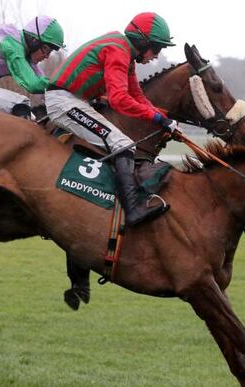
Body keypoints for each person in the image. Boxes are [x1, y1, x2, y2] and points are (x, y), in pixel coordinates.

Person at [45, 12, 179, 226]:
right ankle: (132, 211)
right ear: (143, 42)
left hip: (75, 100)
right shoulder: (118, 51)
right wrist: (157, 118)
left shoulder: (124, 51)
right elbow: (119, 100)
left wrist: (164, 119)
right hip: (64, 102)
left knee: (121, 142)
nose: (156, 55)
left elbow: (137, 96)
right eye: (157, 48)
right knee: (123, 144)